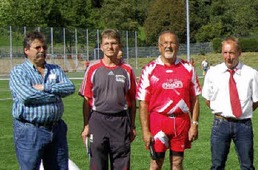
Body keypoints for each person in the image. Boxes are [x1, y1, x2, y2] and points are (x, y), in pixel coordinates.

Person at [9, 31, 75, 170]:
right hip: (30, 130)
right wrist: (56, 94)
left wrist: (45, 87)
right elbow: (27, 96)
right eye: (37, 48)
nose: (42, 51)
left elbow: (69, 87)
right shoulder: (19, 71)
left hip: (56, 129)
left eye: (44, 47)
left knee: (60, 167)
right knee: (29, 167)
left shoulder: (55, 69)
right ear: (26, 50)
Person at [137, 31, 201, 170]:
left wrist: (194, 124)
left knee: (177, 163)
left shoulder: (188, 68)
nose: (168, 46)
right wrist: (145, 131)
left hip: (181, 122)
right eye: (165, 43)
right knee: (156, 163)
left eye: (172, 43)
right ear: (159, 46)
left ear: (177, 46)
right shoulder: (149, 69)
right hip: (158, 121)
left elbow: (194, 98)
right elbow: (143, 103)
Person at [203, 37, 258, 169]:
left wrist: (242, 111)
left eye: (231, 53)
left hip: (243, 125)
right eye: (225, 53)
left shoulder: (251, 74)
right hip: (220, 124)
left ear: (239, 53)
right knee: (217, 165)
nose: (228, 56)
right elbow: (207, 100)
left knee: (247, 166)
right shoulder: (213, 73)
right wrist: (224, 111)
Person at [79, 29, 137, 169]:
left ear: (119, 46)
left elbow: (133, 101)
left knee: (122, 163)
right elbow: (87, 100)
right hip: (98, 120)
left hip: (120, 121)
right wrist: (86, 125)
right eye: (106, 43)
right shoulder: (93, 69)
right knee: (98, 164)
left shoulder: (127, 70)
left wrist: (132, 125)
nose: (110, 47)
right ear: (101, 46)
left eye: (113, 43)